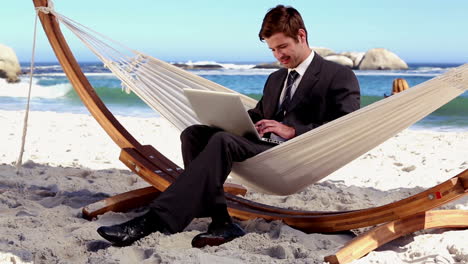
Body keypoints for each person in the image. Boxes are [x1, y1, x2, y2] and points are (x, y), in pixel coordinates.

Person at [97, 5, 360, 248]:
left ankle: (153, 220)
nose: (278, 56)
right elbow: (260, 114)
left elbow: (347, 128)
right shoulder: (276, 79)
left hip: (297, 154)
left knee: (222, 141)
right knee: (194, 134)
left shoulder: (338, 76)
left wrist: (292, 131)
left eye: (282, 47)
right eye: (272, 51)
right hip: (265, 146)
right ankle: (222, 222)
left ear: (301, 35)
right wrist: (233, 118)